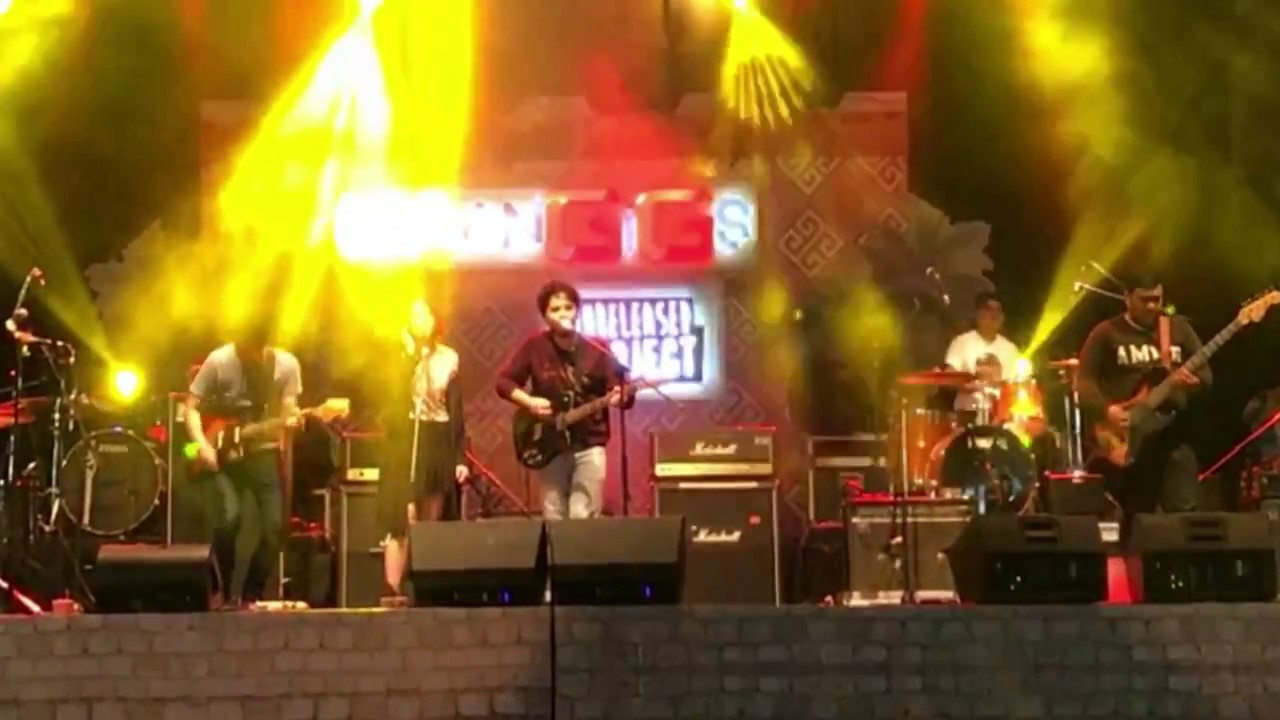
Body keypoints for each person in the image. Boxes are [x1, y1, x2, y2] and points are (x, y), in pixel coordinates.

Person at [185, 316, 302, 608]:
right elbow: (191, 407)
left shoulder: (286, 365)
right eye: (245, 349)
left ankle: (251, 595)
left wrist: (292, 419)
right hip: (225, 456)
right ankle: (222, 593)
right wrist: (202, 445)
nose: (251, 355)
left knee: (275, 528)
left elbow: (289, 408)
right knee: (229, 521)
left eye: (256, 349)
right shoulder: (219, 360)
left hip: (264, 453)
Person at [1077, 270, 1210, 521]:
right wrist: (1107, 410)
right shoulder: (1107, 332)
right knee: (1137, 515)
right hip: (1132, 437)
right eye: (1144, 300)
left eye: (1157, 299)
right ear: (1127, 297)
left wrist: (1193, 384)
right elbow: (1084, 381)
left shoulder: (1179, 329)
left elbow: (1206, 375)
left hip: (1174, 434)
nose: (1152, 306)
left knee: (1184, 511)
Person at [496, 280, 633, 519]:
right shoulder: (535, 347)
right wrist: (529, 402)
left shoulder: (597, 348)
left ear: (577, 311)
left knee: (582, 514)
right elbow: (504, 382)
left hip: (589, 443)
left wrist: (621, 396)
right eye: (555, 309)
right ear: (545, 316)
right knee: (554, 514)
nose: (563, 314)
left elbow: (618, 388)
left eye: (568, 308)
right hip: (551, 444)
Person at [378, 298, 468, 605]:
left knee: (432, 515)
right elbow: (388, 399)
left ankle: (429, 589)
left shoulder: (449, 358)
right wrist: (408, 358)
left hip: (438, 436)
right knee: (401, 517)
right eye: (413, 315)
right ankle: (393, 590)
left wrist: (459, 457)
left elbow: (456, 411)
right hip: (404, 439)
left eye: (424, 314)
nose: (420, 320)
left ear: (434, 320)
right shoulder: (396, 356)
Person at [943, 292, 1022, 419]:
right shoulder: (961, 342)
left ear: (1002, 318)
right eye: (988, 310)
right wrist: (966, 385)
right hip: (967, 413)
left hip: (1001, 416)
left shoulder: (1011, 349)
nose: (993, 315)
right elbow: (949, 376)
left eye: (997, 311)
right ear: (978, 315)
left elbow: (1017, 384)